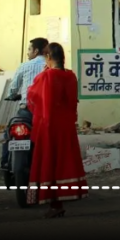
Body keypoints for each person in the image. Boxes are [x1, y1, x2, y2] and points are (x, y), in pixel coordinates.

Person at [26, 43, 87, 217]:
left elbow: (33, 96)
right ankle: (59, 201)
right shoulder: (71, 76)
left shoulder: (46, 77)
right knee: (63, 163)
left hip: (50, 127)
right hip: (66, 127)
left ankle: (54, 204)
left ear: (48, 57)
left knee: (49, 164)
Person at [1, 38, 48, 173]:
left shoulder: (24, 66)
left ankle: (4, 163)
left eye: (29, 49)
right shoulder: (50, 66)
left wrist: (12, 95)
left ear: (36, 51)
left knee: (8, 134)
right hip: (45, 112)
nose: (28, 53)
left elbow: (13, 88)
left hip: (26, 111)